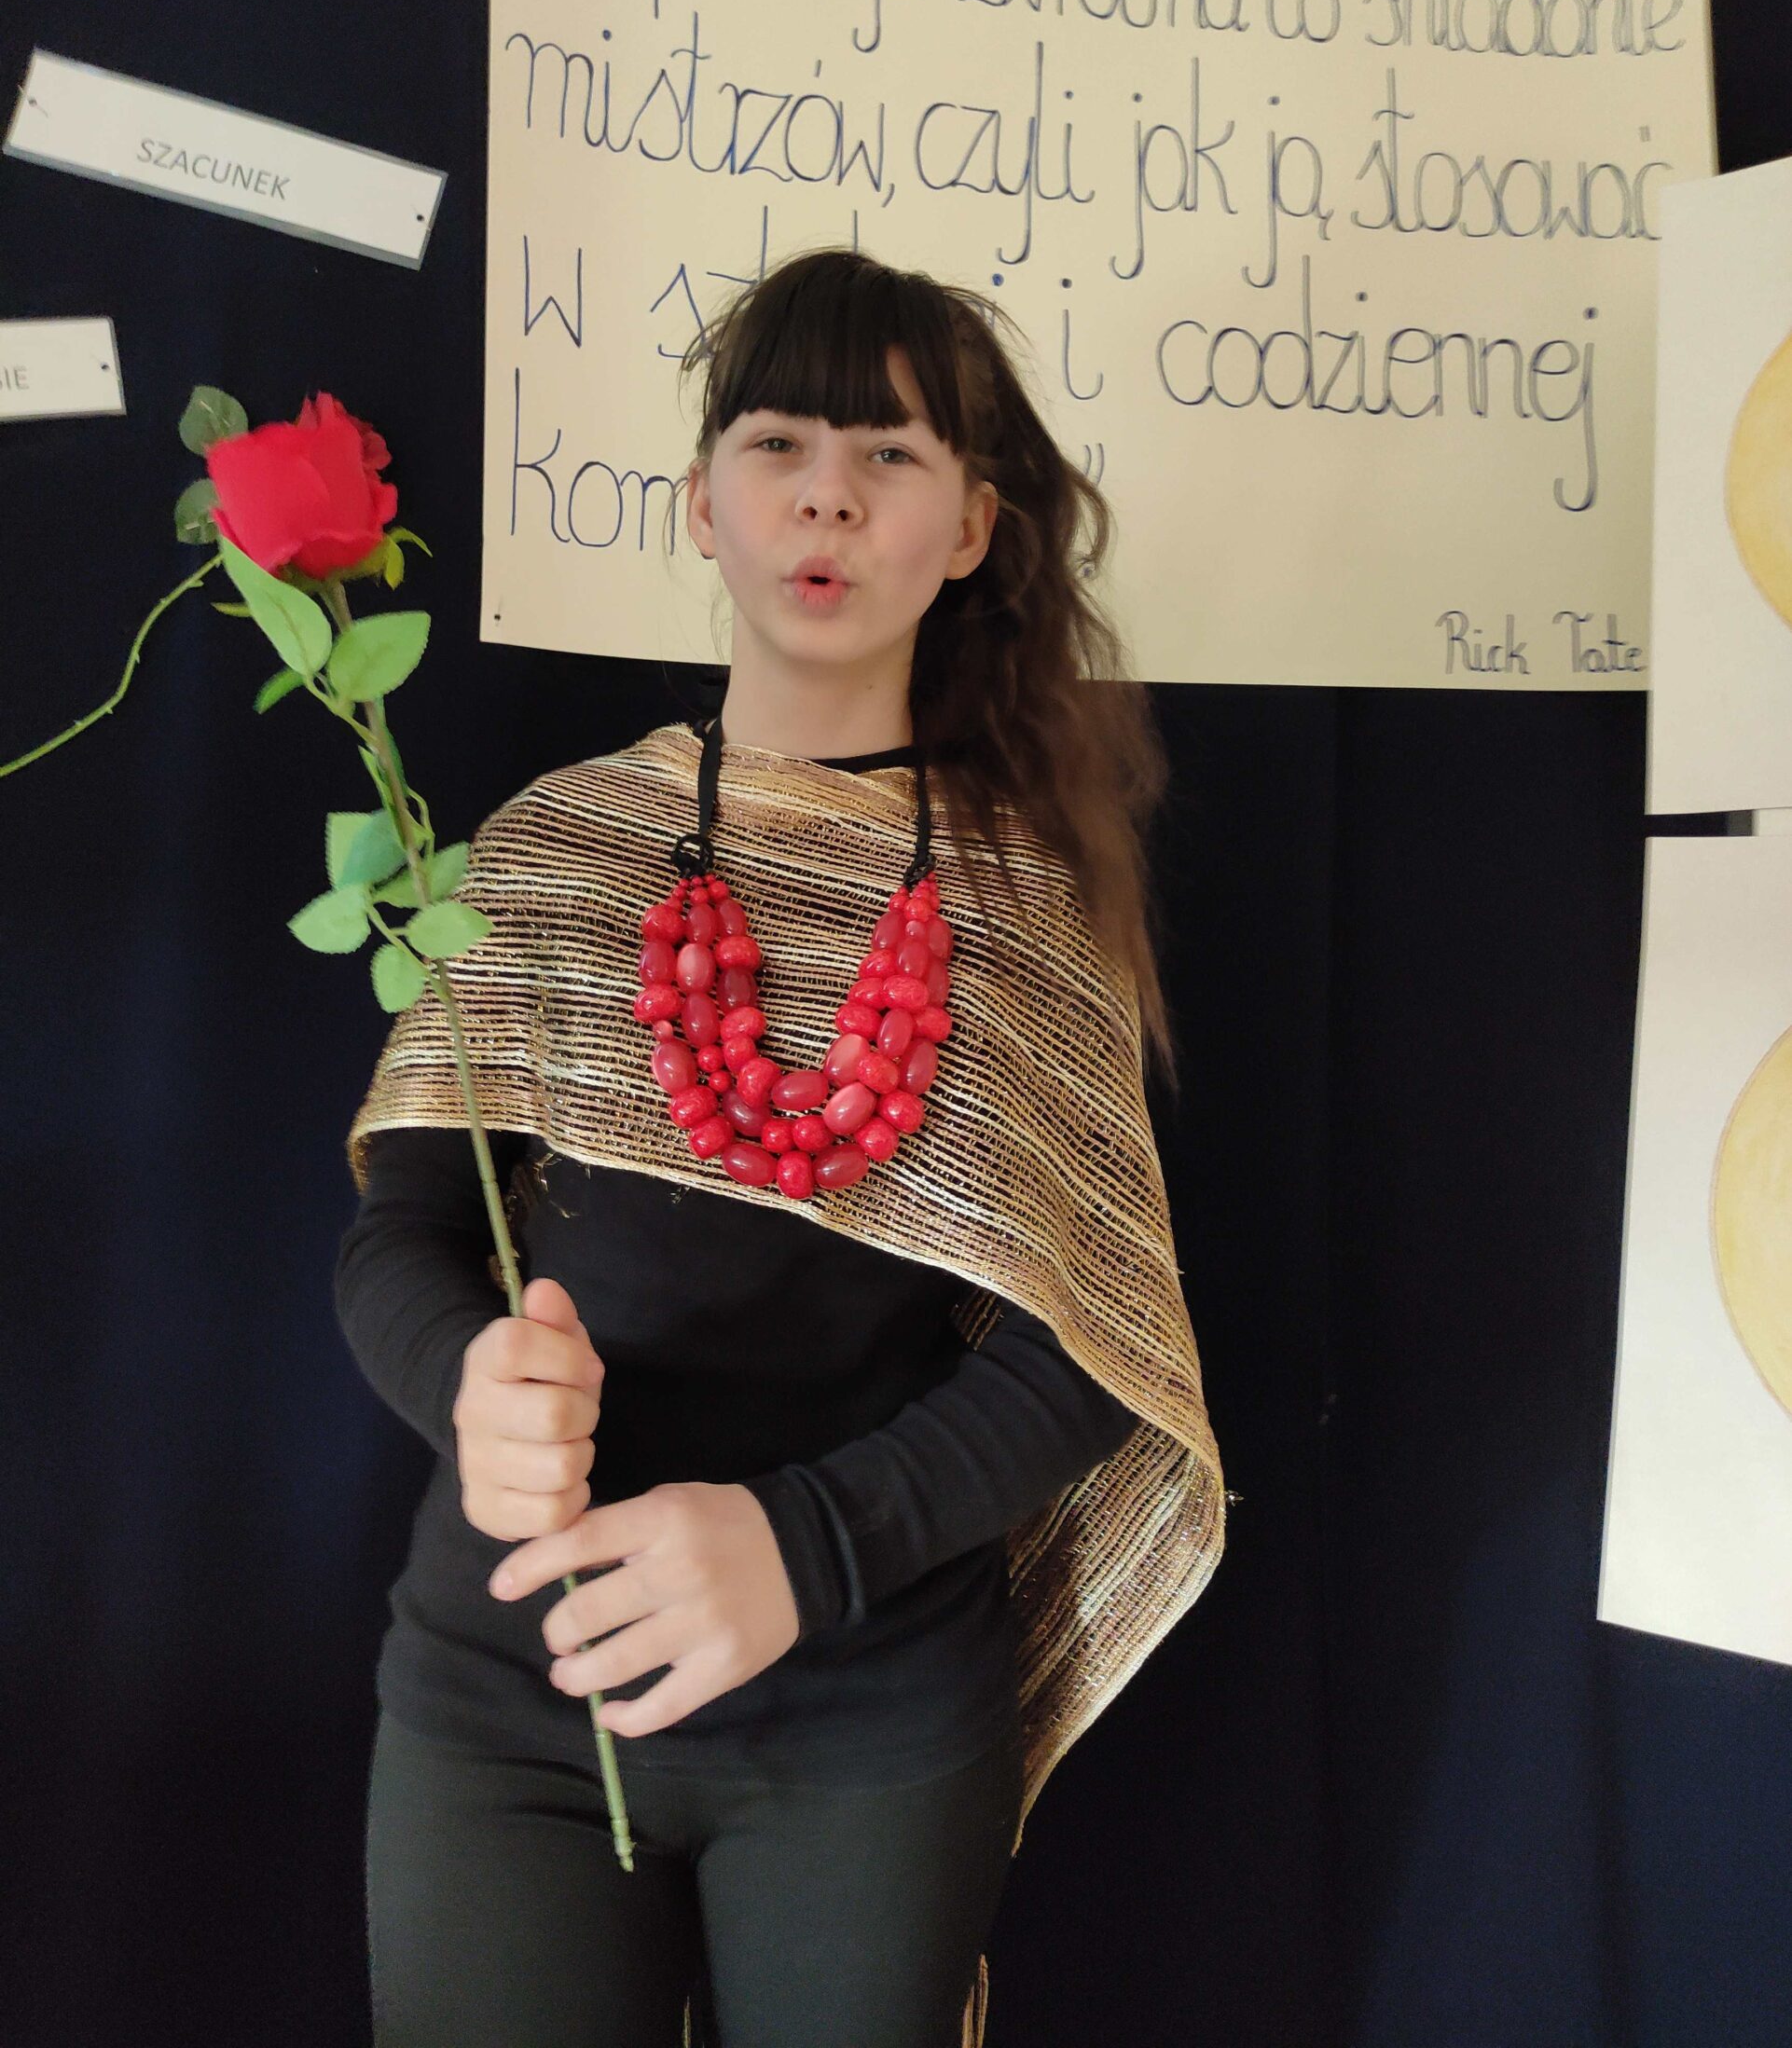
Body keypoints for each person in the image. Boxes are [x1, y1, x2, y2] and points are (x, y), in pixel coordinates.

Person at [335, 247, 1226, 2048]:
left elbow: (1090, 1354)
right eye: (779, 442)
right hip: (513, 1698)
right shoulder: (555, 848)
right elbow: (403, 1230)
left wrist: (801, 1549)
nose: (829, 492)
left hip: (866, 1720)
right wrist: (464, 1380)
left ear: (970, 529)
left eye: (890, 453)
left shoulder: (1029, 908)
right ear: (702, 504)